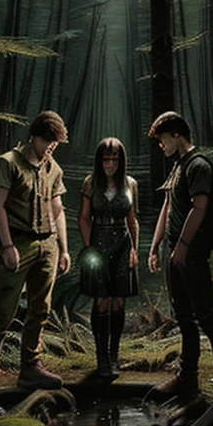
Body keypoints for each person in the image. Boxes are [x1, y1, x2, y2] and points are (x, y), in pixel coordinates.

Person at [148, 111, 213, 426]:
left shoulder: (199, 164)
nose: (161, 146)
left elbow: (200, 207)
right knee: (184, 317)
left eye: (162, 139)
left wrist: (184, 246)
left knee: (208, 316)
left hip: (193, 253)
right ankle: (187, 379)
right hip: (176, 252)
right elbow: (169, 206)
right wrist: (156, 245)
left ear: (176, 135)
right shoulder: (179, 165)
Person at [0, 110, 71, 397]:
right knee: (3, 311)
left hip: (48, 244)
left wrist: (63, 249)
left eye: (56, 142)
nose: (52, 146)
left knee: (41, 310)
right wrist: (7, 246)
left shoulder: (54, 168)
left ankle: (31, 368)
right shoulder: (9, 163)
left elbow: (58, 210)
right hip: (19, 243)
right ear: (35, 136)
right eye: (48, 140)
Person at [78, 137, 139, 379]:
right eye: (106, 158)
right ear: (99, 160)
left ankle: (114, 356)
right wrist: (88, 247)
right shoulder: (90, 183)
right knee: (102, 299)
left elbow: (132, 220)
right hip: (99, 242)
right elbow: (83, 217)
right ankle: (101, 357)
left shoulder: (130, 184)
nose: (110, 163)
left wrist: (134, 249)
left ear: (121, 160)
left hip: (123, 244)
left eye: (115, 158)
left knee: (119, 300)